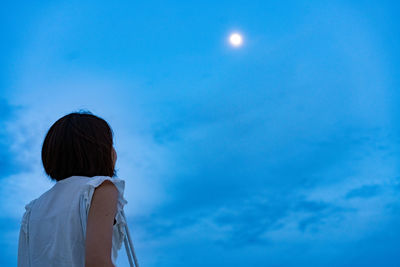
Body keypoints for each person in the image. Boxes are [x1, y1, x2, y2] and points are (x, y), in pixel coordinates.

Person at [17, 111, 128, 267]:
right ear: (98, 150)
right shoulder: (101, 188)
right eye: (111, 144)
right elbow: (97, 262)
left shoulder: (33, 209)